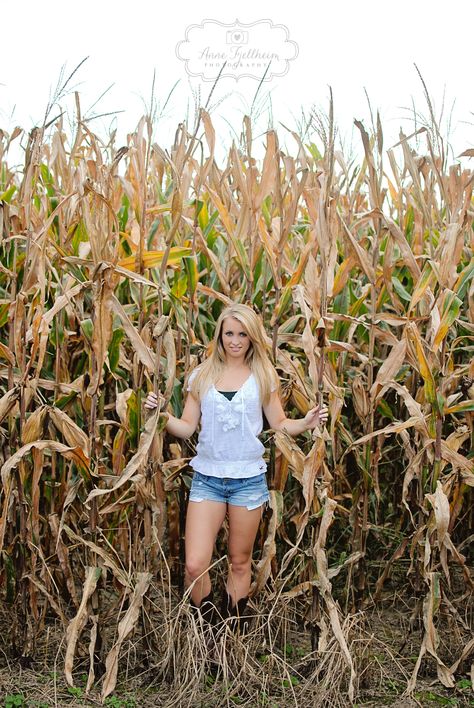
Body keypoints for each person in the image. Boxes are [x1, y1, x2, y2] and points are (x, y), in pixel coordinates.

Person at [145, 303, 328, 629]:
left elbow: (280, 424)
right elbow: (187, 427)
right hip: (208, 479)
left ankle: (231, 634)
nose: (235, 340)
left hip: (248, 480)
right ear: (219, 335)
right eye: (229, 333)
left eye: (242, 334)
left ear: (252, 337)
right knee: (194, 563)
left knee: (240, 563)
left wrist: (307, 421)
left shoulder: (263, 376)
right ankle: (206, 632)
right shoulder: (201, 376)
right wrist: (160, 414)